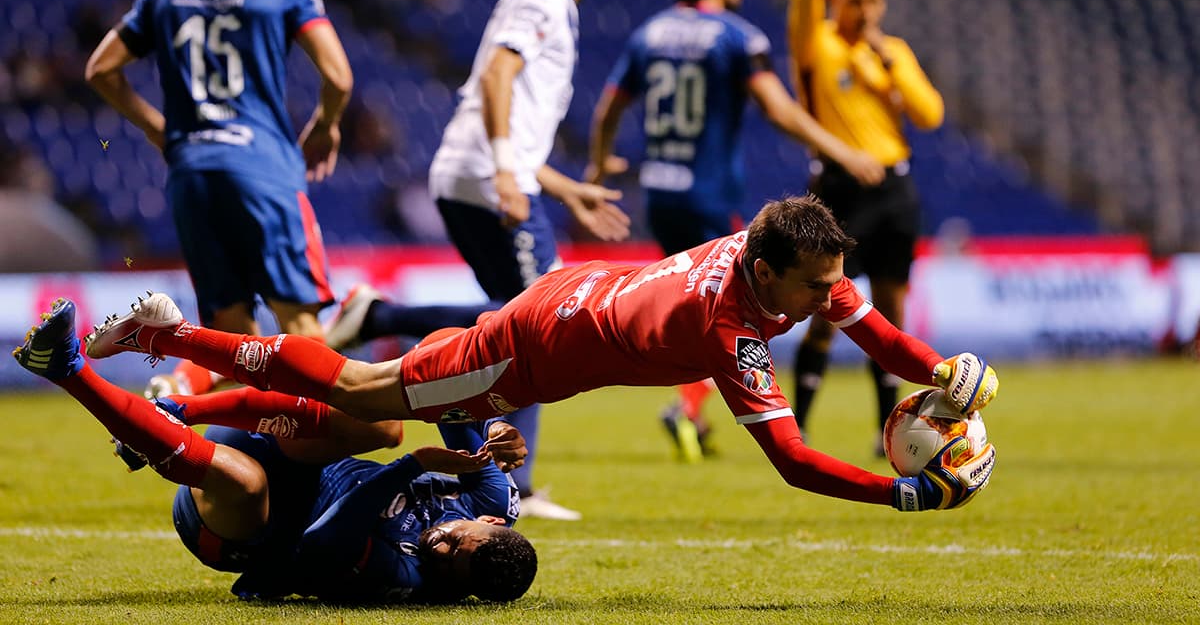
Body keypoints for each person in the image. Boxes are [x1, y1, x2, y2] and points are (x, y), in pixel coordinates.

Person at [82, 195, 998, 513]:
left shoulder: (780, 255)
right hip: (527, 350)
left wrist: (936, 370)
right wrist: (907, 492)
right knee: (361, 395)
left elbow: (860, 312)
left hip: (571, 291)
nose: (826, 300)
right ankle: (165, 335)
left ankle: (186, 406)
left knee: (366, 423)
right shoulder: (724, 331)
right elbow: (794, 464)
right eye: (812, 288)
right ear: (765, 273)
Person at [330, 0, 630, 521]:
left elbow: (513, 114)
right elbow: (495, 76)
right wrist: (503, 169)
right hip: (483, 178)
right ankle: (511, 482)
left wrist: (560, 185)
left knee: (513, 321)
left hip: (482, 176)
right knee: (542, 323)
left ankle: (383, 316)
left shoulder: (554, 6)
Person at [586, 0, 885, 461]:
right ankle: (691, 409)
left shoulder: (648, 34)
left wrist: (600, 161)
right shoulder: (736, 36)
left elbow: (609, 106)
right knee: (735, 308)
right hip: (706, 194)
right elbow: (779, 109)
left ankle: (691, 410)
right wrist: (840, 149)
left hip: (660, 191)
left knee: (689, 308)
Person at [12, 303, 537, 603]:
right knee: (382, 421)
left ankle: (65, 367)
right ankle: (177, 399)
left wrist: (414, 467)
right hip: (299, 451)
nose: (439, 546)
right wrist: (492, 422)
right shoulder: (493, 492)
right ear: (491, 520)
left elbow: (321, 539)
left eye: (450, 565)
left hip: (253, 529)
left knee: (247, 482)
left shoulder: (407, 579)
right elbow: (450, 395)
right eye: (457, 542)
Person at [83, 0, 350, 398]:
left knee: (234, 343)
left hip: (193, 174)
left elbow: (100, 70)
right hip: (262, 168)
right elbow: (338, 75)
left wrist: (162, 133)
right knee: (302, 329)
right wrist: (326, 125)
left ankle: (243, 462)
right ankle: (321, 469)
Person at [786, 0, 946, 452]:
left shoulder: (892, 53)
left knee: (891, 311)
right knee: (826, 306)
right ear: (837, 0)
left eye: (875, 0)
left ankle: (890, 430)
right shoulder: (818, 43)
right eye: (857, 0)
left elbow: (930, 113)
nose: (867, 10)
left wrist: (890, 62)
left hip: (894, 190)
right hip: (838, 189)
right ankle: (798, 423)